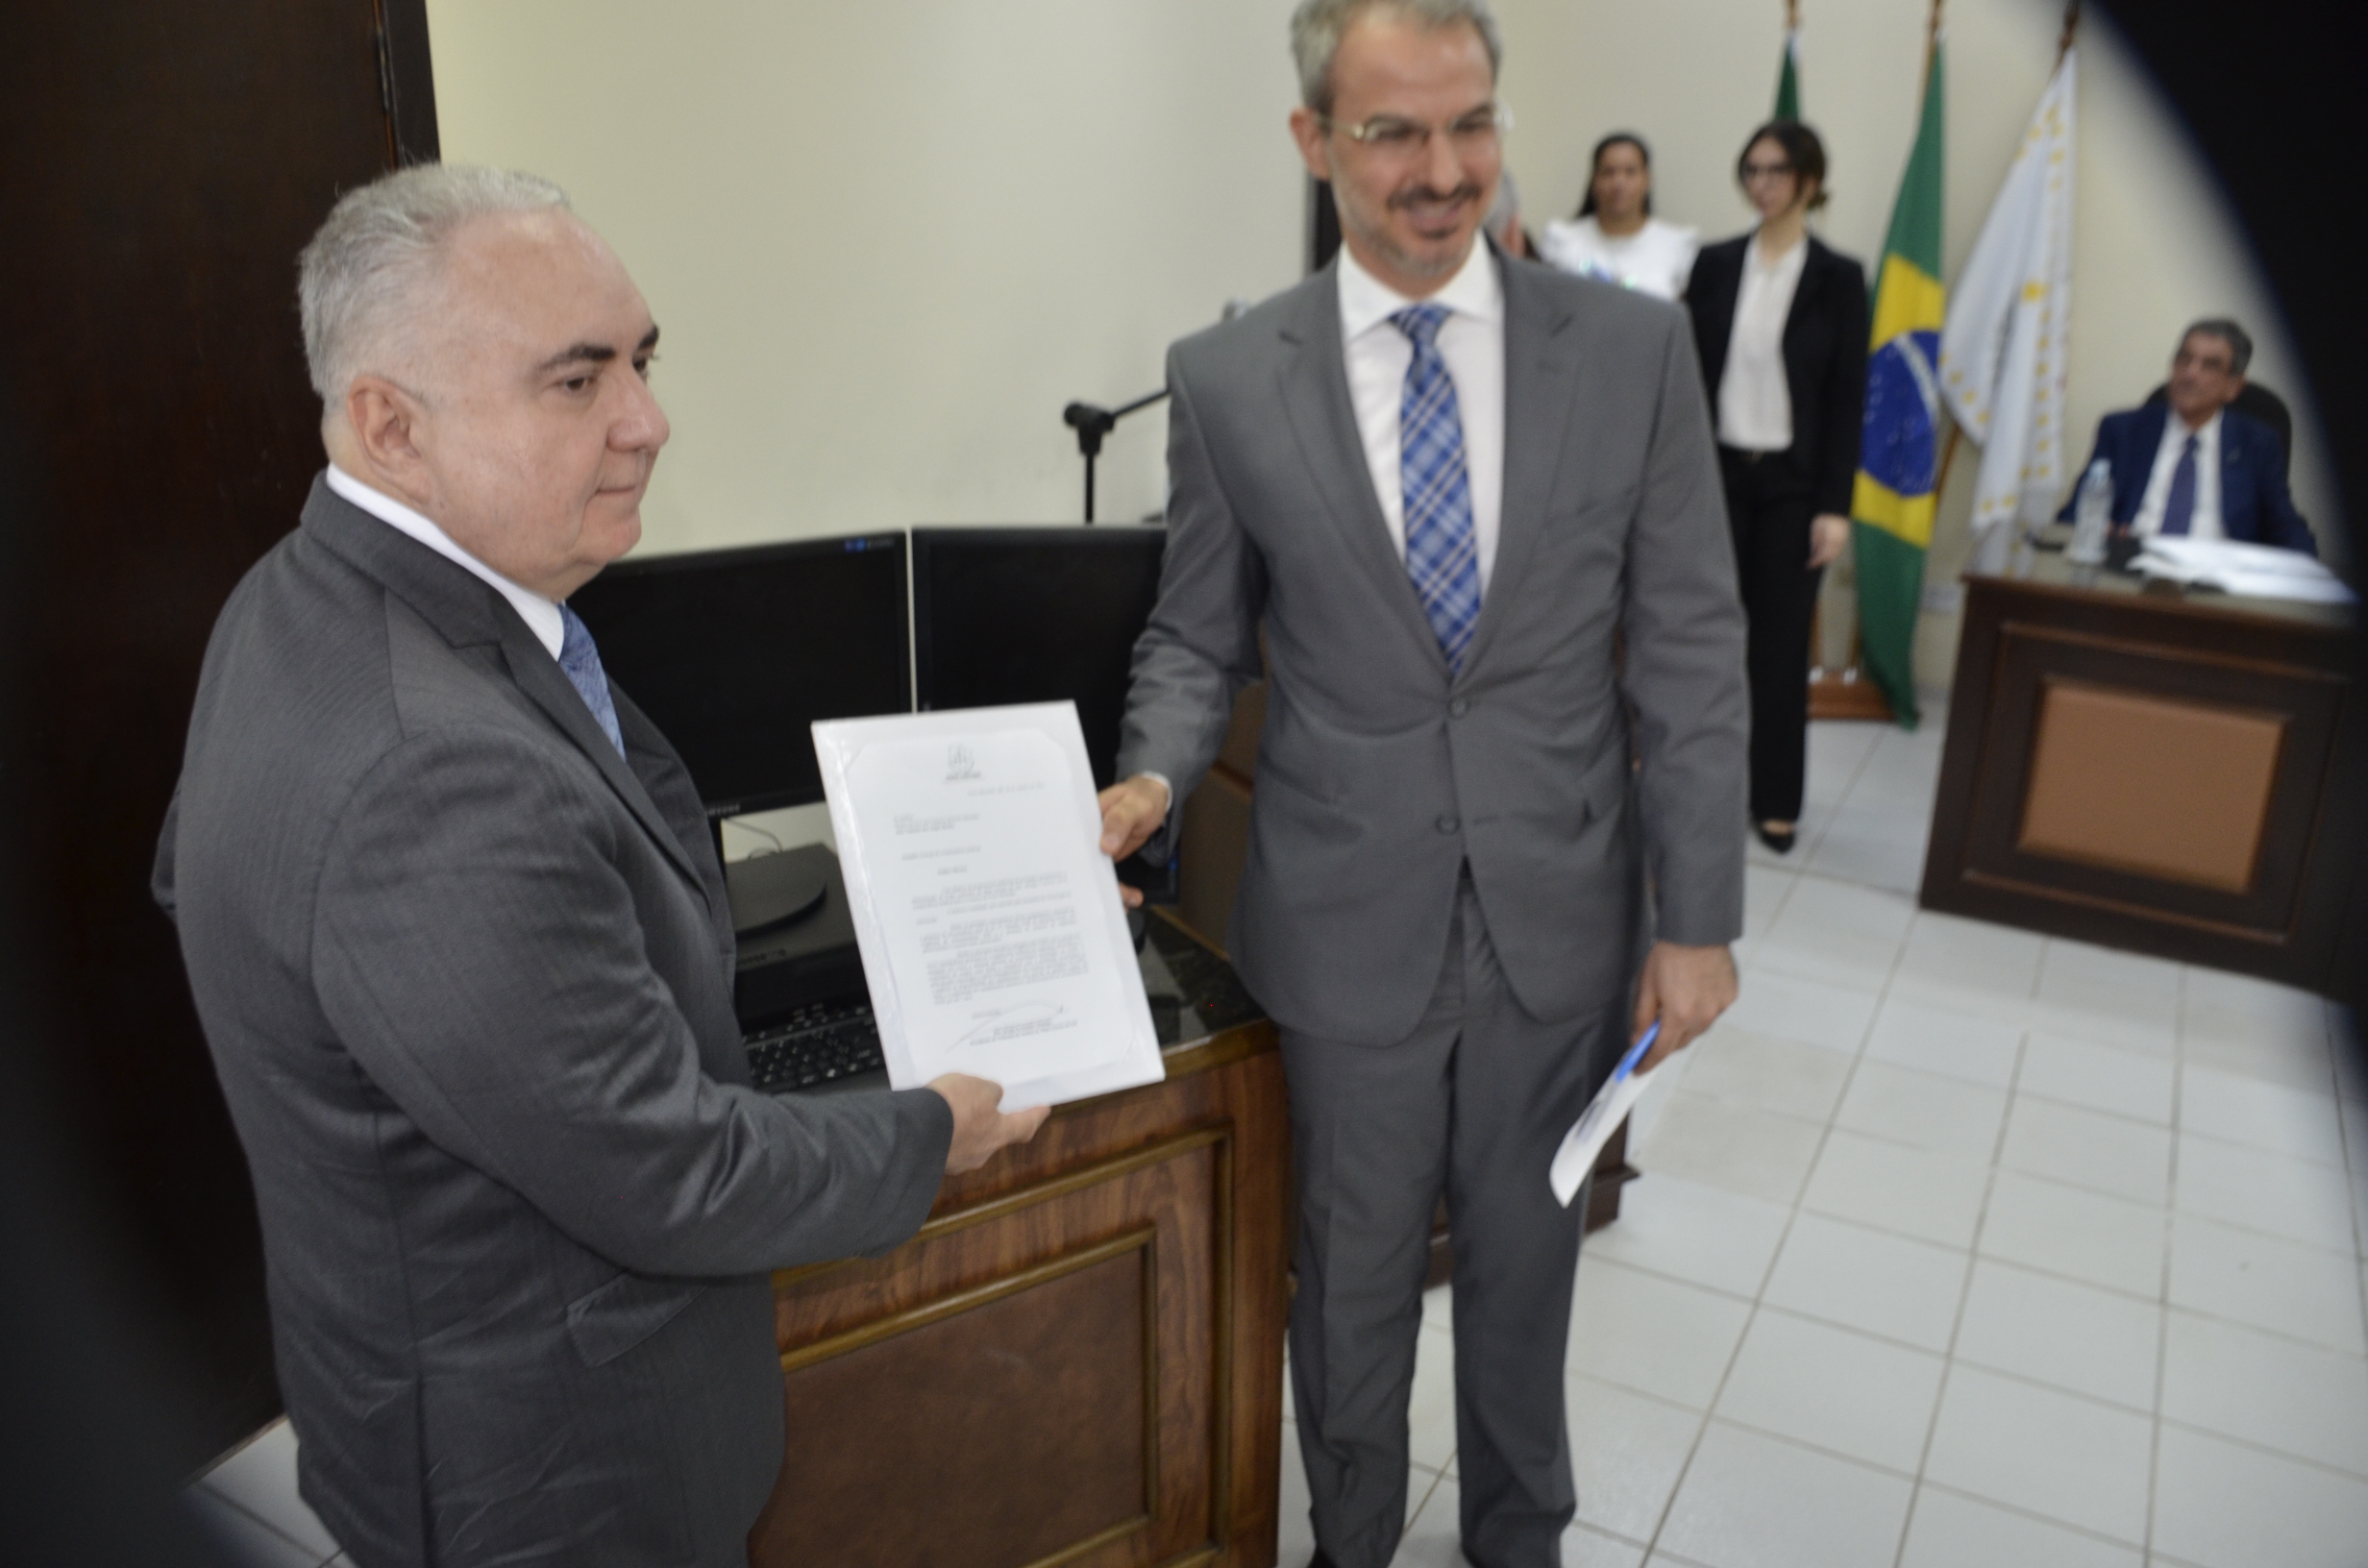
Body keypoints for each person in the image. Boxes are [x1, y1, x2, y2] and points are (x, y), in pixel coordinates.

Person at [151, 165, 1047, 1568]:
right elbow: (669, 1175)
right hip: (556, 1477)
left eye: (642, 359)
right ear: (391, 426)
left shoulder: (303, 594)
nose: (648, 420)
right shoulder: (429, 772)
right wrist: (932, 1130)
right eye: (577, 382)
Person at [1098, 3, 1747, 1564]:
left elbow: (1687, 644)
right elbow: (1192, 635)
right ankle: (1352, 1539)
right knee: (1350, 1265)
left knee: (1528, 1261)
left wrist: (1697, 916)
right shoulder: (1224, 377)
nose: (1440, 169)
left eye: (1469, 124)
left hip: (1559, 907)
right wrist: (1141, 781)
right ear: (1313, 141)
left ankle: (1516, 1536)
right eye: (1392, 131)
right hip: (1340, 914)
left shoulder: (1631, 352)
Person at [1685, 120, 1868, 855]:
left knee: (1778, 649)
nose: (1761, 184)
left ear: (1809, 182)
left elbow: (1849, 395)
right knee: (1701, 644)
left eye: (1776, 171)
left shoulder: (1839, 277)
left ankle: (1774, 797)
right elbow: (1689, 378)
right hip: (1717, 477)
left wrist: (1835, 506)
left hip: (1794, 488)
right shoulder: (1715, 264)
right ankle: (1698, 785)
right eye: (1751, 170)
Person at [2058, 318, 2316, 553]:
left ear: (2233, 387)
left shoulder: (2257, 443)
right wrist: (2101, 531)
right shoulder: (2122, 431)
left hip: (2218, 581)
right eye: (2184, 359)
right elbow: (2072, 516)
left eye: (2210, 366)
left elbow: (2286, 526)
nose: (2190, 374)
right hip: (2130, 569)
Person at [1538, 132, 1699, 301]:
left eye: (1630, 172)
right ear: (1594, 180)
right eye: (1608, 172)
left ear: (1647, 179)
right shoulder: (1562, 240)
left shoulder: (1677, 245)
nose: (1619, 183)